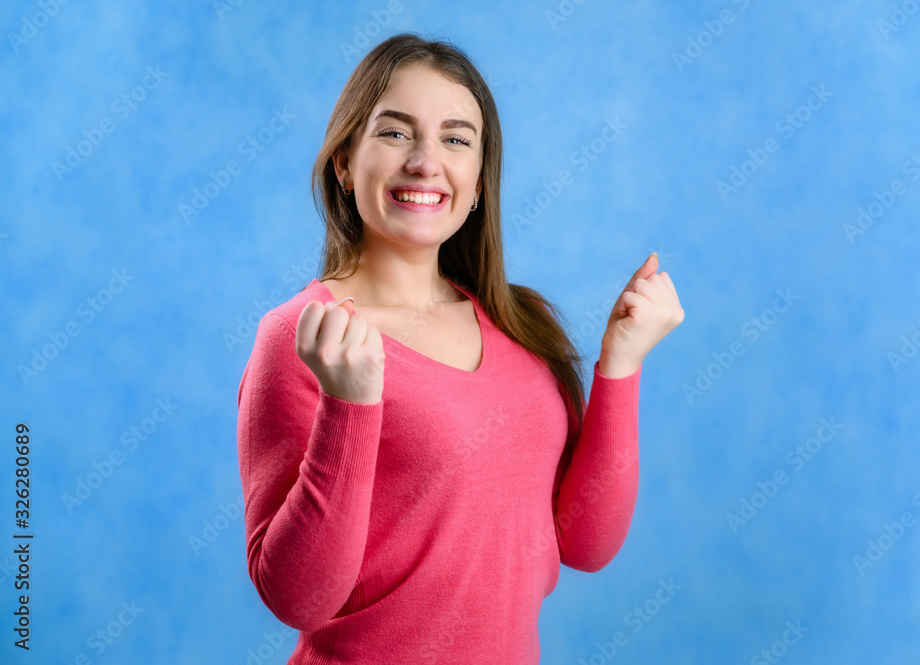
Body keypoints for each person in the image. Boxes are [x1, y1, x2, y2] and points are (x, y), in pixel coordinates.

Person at [236, 32, 684, 664]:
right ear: (344, 162)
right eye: (395, 132)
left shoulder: (519, 324)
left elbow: (585, 544)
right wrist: (350, 406)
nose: (425, 161)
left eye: (455, 139)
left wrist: (622, 364)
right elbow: (298, 598)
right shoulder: (304, 337)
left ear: (477, 182)